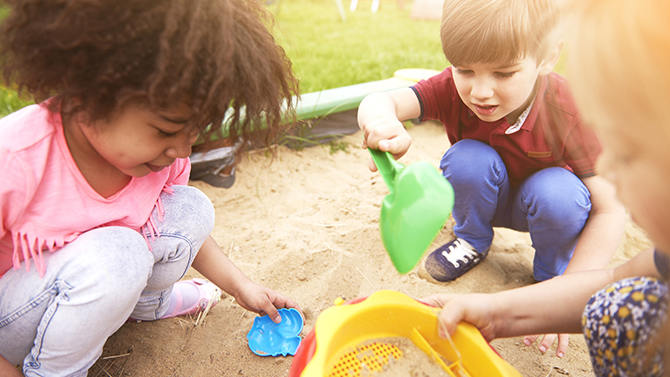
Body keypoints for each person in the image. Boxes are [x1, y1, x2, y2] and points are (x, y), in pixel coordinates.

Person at [0, 0, 301, 376]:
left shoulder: (164, 158)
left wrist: (241, 286)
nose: (182, 150)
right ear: (89, 94)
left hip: (96, 276)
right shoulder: (14, 159)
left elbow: (178, 230)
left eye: (194, 133)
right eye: (166, 130)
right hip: (13, 316)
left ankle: (146, 308)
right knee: (120, 255)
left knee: (190, 207)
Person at [422, 0, 670, 375]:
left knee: (618, 310)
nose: (605, 166)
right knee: (611, 301)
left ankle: (549, 269)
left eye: (627, 152)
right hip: (508, 203)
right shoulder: (659, 265)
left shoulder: (563, 106)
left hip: (545, 202)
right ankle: (473, 241)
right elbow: (610, 280)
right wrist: (493, 312)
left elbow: (609, 212)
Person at [357, 0, 625, 284]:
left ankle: (552, 274)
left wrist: (574, 285)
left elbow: (610, 209)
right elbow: (380, 100)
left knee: (560, 194)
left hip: (547, 208)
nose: (480, 92)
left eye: (504, 73)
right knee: (467, 158)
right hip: (482, 199)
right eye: (464, 70)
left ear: (547, 57)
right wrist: (382, 122)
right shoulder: (450, 89)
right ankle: (472, 240)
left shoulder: (570, 109)